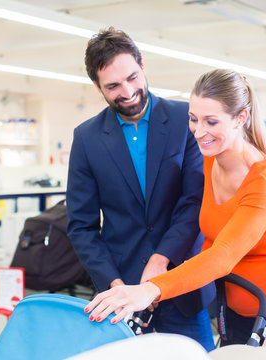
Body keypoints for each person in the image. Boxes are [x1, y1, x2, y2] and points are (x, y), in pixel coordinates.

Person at [84, 69, 266, 345]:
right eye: (193, 119)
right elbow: (207, 232)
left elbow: (224, 254)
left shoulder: (263, 179)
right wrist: (159, 272)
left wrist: (151, 290)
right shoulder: (210, 159)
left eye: (211, 122)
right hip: (242, 308)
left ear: (240, 119)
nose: (199, 131)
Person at [66, 27, 215, 351]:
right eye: (113, 86)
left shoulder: (185, 119)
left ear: (142, 65)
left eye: (133, 77)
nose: (128, 91)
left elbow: (194, 202)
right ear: (97, 87)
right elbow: (82, 226)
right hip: (121, 290)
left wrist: (160, 261)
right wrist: (117, 285)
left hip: (180, 281)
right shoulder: (87, 138)